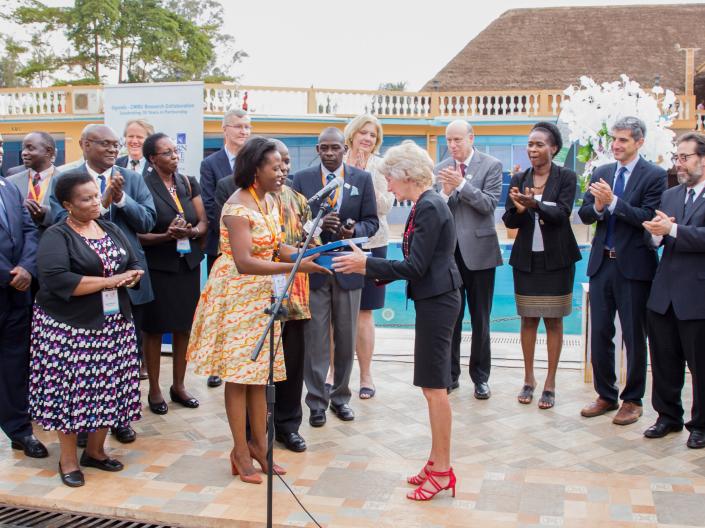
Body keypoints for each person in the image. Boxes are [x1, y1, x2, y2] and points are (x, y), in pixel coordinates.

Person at [187, 136, 328, 483]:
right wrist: (297, 269)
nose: (282, 172)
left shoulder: (267, 202)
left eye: (283, 166)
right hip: (237, 297)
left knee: (259, 378)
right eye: (275, 167)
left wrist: (311, 256)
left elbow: (278, 248)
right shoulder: (237, 207)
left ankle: (260, 447)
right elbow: (246, 262)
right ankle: (239, 451)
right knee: (239, 378)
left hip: (262, 297)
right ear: (255, 169)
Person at [332, 140, 461, 501]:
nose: (387, 185)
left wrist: (366, 265)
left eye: (389, 178)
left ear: (405, 176)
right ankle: (436, 461)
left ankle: (443, 470)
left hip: (438, 301)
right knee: (430, 386)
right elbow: (418, 263)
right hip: (434, 298)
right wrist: (374, 269)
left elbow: (416, 267)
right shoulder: (425, 203)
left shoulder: (431, 206)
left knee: (435, 389)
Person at [30, 170, 144, 487]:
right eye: (87, 198)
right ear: (67, 204)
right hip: (70, 328)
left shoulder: (108, 227)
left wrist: (132, 275)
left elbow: (134, 261)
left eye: (96, 195)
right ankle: (67, 460)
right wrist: (110, 281)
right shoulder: (57, 235)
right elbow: (58, 280)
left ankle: (95, 452)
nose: (96, 202)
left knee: (108, 388)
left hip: (113, 325)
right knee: (73, 394)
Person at [50, 124, 156, 445]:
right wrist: (102, 200)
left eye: (116, 145)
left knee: (124, 358)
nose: (113, 150)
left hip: (126, 285)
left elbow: (148, 221)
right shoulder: (65, 179)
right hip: (84, 285)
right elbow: (56, 222)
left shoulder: (133, 178)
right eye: (105, 144)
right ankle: (84, 424)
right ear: (84, 144)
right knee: (86, 363)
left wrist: (122, 201)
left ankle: (120, 418)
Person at [578, 116, 666, 425]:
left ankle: (633, 399)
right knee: (600, 331)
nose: (616, 145)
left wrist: (614, 202)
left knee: (633, 334)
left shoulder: (654, 175)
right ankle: (605, 394)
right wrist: (599, 207)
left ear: (639, 142)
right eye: (614, 139)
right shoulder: (602, 172)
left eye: (623, 140)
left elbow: (648, 217)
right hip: (602, 264)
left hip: (635, 267)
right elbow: (585, 213)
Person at [292, 127, 379, 427]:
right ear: (317, 149)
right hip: (315, 269)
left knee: (346, 338)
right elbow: (294, 224)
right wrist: (316, 226)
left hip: (348, 269)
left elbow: (373, 223)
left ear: (345, 148)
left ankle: (341, 397)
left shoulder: (361, 179)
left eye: (335, 148)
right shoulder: (301, 180)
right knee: (315, 339)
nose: (329, 153)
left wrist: (352, 230)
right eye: (324, 148)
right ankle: (316, 402)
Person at [502, 122, 581, 409]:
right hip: (526, 259)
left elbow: (562, 214)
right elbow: (509, 220)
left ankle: (550, 382)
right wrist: (521, 209)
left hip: (557, 260)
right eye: (530, 144)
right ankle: (528, 379)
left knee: (554, 321)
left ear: (553, 148)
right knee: (528, 319)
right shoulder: (519, 178)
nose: (532, 149)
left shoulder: (567, 177)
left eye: (539, 144)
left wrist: (534, 204)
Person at [642, 132, 705, 449]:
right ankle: (668, 416)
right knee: (664, 360)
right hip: (664, 293)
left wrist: (673, 229)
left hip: (697, 295)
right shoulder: (670, 195)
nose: (678, 163)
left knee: (700, 364)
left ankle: (701, 424)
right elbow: (657, 238)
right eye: (676, 157)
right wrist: (655, 235)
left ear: (702, 160)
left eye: (685, 157)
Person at [138, 133, 207, 415]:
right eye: (166, 153)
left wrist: (191, 232)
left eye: (175, 150)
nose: (174, 156)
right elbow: (137, 233)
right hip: (158, 267)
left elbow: (203, 222)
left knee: (184, 328)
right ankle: (154, 390)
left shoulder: (187, 182)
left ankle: (178, 386)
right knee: (154, 329)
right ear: (152, 159)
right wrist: (166, 235)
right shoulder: (142, 185)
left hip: (186, 266)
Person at [436, 120, 502, 399]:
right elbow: (436, 208)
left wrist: (462, 184)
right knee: (452, 318)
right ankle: (451, 375)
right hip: (450, 255)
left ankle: (481, 377)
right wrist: (446, 191)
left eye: (458, 140)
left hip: (481, 254)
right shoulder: (440, 168)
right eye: (449, 140)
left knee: (481, 319)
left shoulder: (491, 165)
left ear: (471, 138)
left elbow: (489, 204)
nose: (453, 146)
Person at [343, 114, 394, 399]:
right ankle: (333, 372)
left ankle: (365, 375)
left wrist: (366, 181)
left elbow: (386, 205)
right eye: (363, 132)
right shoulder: (337, 161)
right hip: (341, 243)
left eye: (372, 135)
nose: (367, 138)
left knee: (365, 312)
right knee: (337, 310)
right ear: (352, 134)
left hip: (374, 243)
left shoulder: (381, 165)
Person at [200, 109, 252, 389]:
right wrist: (236, 230)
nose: (244, 131)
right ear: (225, 129)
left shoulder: (256, 160)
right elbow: (210, 205)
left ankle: (242, 355)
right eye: (238, 126)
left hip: (254, 247)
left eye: (247, 127)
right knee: (221, 305)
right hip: (221, 247)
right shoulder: (211, 164)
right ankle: (217, 365)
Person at [0, 176, 47, 460]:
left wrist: (27, 268)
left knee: (15, 365)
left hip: (18, 294)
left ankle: (20, 431)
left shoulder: (9, 187)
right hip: (9, 280)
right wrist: (8, 274)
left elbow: (30, 230)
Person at [8, 132, 59, 233]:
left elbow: (72, 215)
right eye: (23, 148)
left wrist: (45, 213)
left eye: (30, 148)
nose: (24, 153)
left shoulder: (66, 180)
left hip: (53, 243)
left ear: (48, 151)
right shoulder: (10, 182)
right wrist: (18, 207)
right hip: (21, 245)